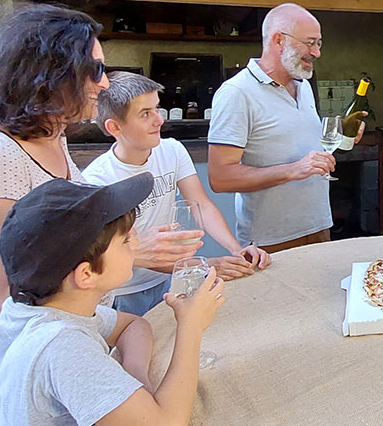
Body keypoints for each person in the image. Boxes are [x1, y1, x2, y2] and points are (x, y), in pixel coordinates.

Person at [0, 4, 113, 371]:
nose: (105, 83)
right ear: (49, 73)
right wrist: (117, 261)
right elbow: (1, 296)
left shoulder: (53, 136)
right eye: (95, 69)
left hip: (67, 339)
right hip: (27, 358)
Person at [0, 172, 225, 425]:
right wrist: (191, 326)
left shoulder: (32, 309)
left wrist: (134, 379)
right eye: (126, 240)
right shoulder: (63, 347)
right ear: (86, 274)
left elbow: (133, 325)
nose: (137, 242)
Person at [83, 72, 270, 315]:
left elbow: (200, 205)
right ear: (114, 127)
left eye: (157, 109)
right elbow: (137, 254)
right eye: (145, 114)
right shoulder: (98, 180)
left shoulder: (172, 150)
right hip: (122, 292)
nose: (159, 120)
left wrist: (236, 250)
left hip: (169, 282)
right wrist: (204, 266)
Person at [207, 3, 362, 253]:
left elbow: (300, 147)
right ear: (279, 40)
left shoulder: (303, 86)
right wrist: (293, 170)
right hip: (270, 243)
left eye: (319, 43)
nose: (317, 52)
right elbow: (220, 178)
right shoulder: (236, 93)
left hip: (319, 229)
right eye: (310, 43)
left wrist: (341, 139)